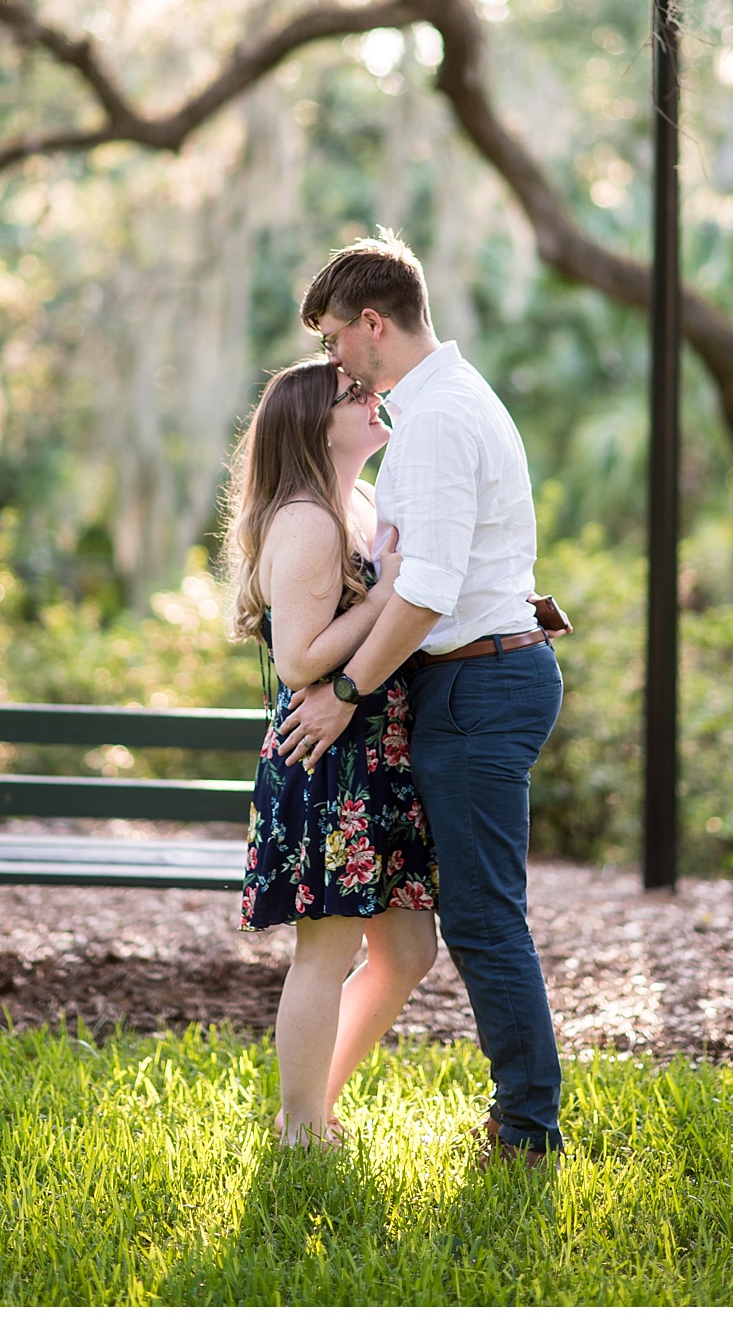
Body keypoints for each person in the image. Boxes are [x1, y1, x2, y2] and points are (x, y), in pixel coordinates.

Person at [281, 232, 565, 1168]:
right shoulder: (438, 403)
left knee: (484, 918)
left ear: (373, 324)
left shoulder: (439, 418)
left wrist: (345, 693)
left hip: (478, 683)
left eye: (333, 338)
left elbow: (430, 588)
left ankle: (525, 1132)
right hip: (470, 679)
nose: (331, 359)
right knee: (472, 916)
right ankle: (511, 1121)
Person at [222, 356, 438, 1147]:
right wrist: (384, 596)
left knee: (409, 950)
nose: (373, 397)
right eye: (354, 395)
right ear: (315, 425)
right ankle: (304, 1128)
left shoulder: (359, 502)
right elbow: (300, 659)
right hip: (329, 753)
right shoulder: (309, 518)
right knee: (329, 945)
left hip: (372, 748)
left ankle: (309, 1104)